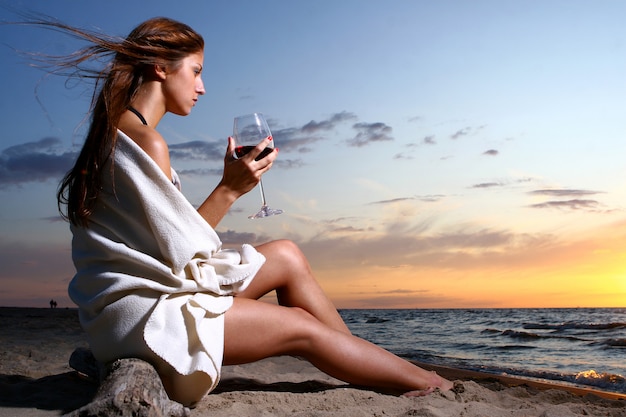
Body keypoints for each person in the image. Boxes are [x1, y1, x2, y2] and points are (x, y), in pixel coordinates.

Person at [30, 16, 454, 407]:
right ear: (161, 67)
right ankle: (431, 383)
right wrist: (230, 189)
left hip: (139, 302)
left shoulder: (122, 129)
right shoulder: (146, 141)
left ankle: (367, 362)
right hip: (147, 320)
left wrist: (230, 187)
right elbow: (176, 254)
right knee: (302, 328)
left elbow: (162, 243)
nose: (202, 87)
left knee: (286, 253)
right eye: (196, 71)